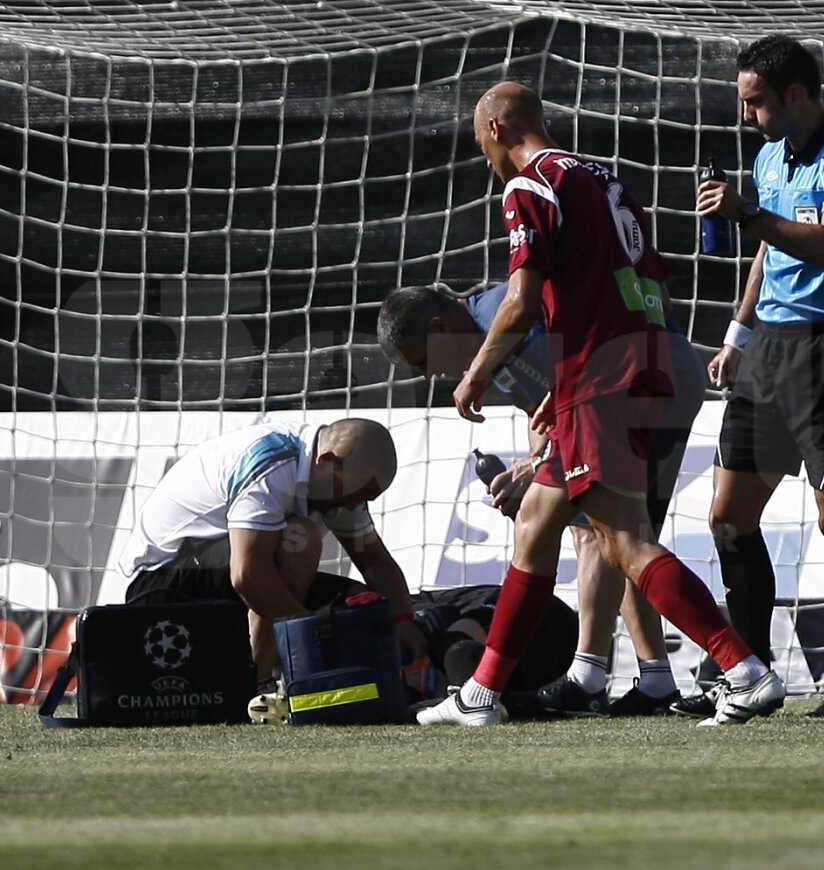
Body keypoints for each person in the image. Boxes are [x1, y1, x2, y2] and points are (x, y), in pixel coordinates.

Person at [416, 80, 785, 727]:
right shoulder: (607, 181)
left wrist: (476, 371)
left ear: (497, 130)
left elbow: (522, 300)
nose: (485, 158)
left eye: (480, 143)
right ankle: (482, 693)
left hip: (604, 375)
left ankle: (744, 669)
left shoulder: (530, 185)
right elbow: (642, 289)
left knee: (623, 540)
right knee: (536, 521)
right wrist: (564, 391)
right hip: (643, 360)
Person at [378, 282, 705, 716]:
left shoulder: (512, 322)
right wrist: (541, 461)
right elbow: (543, 411)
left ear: (440, 327)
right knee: (617, 536)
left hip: (648, 392)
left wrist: (540, 467)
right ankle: (656, 679)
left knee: (605, 534)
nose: (430, 376)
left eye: (424, 362)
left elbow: (587, 396)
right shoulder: (487, 336)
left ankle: (591, 675)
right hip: (642, 390)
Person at [695, 34, 824, 718]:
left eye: (756, 104)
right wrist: (738, 334)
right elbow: (766, 250)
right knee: (727, 518)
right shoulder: (769, 155)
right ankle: (749, 678)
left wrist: (749, 211)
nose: (749, 116)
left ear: (796, 96)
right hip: (767, 353)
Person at [116, 418, 427, 684]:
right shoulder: (272, 461)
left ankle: (266, 675)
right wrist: (311, 635)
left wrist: (402, 620)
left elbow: (375, 565)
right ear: (326, 460)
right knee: (298, 539)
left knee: (360, 601)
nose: (350, 506)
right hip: (161, 585)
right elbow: (248, 576)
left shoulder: (338, 484)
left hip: (220, 576)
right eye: (351, 495)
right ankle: (258, 683)